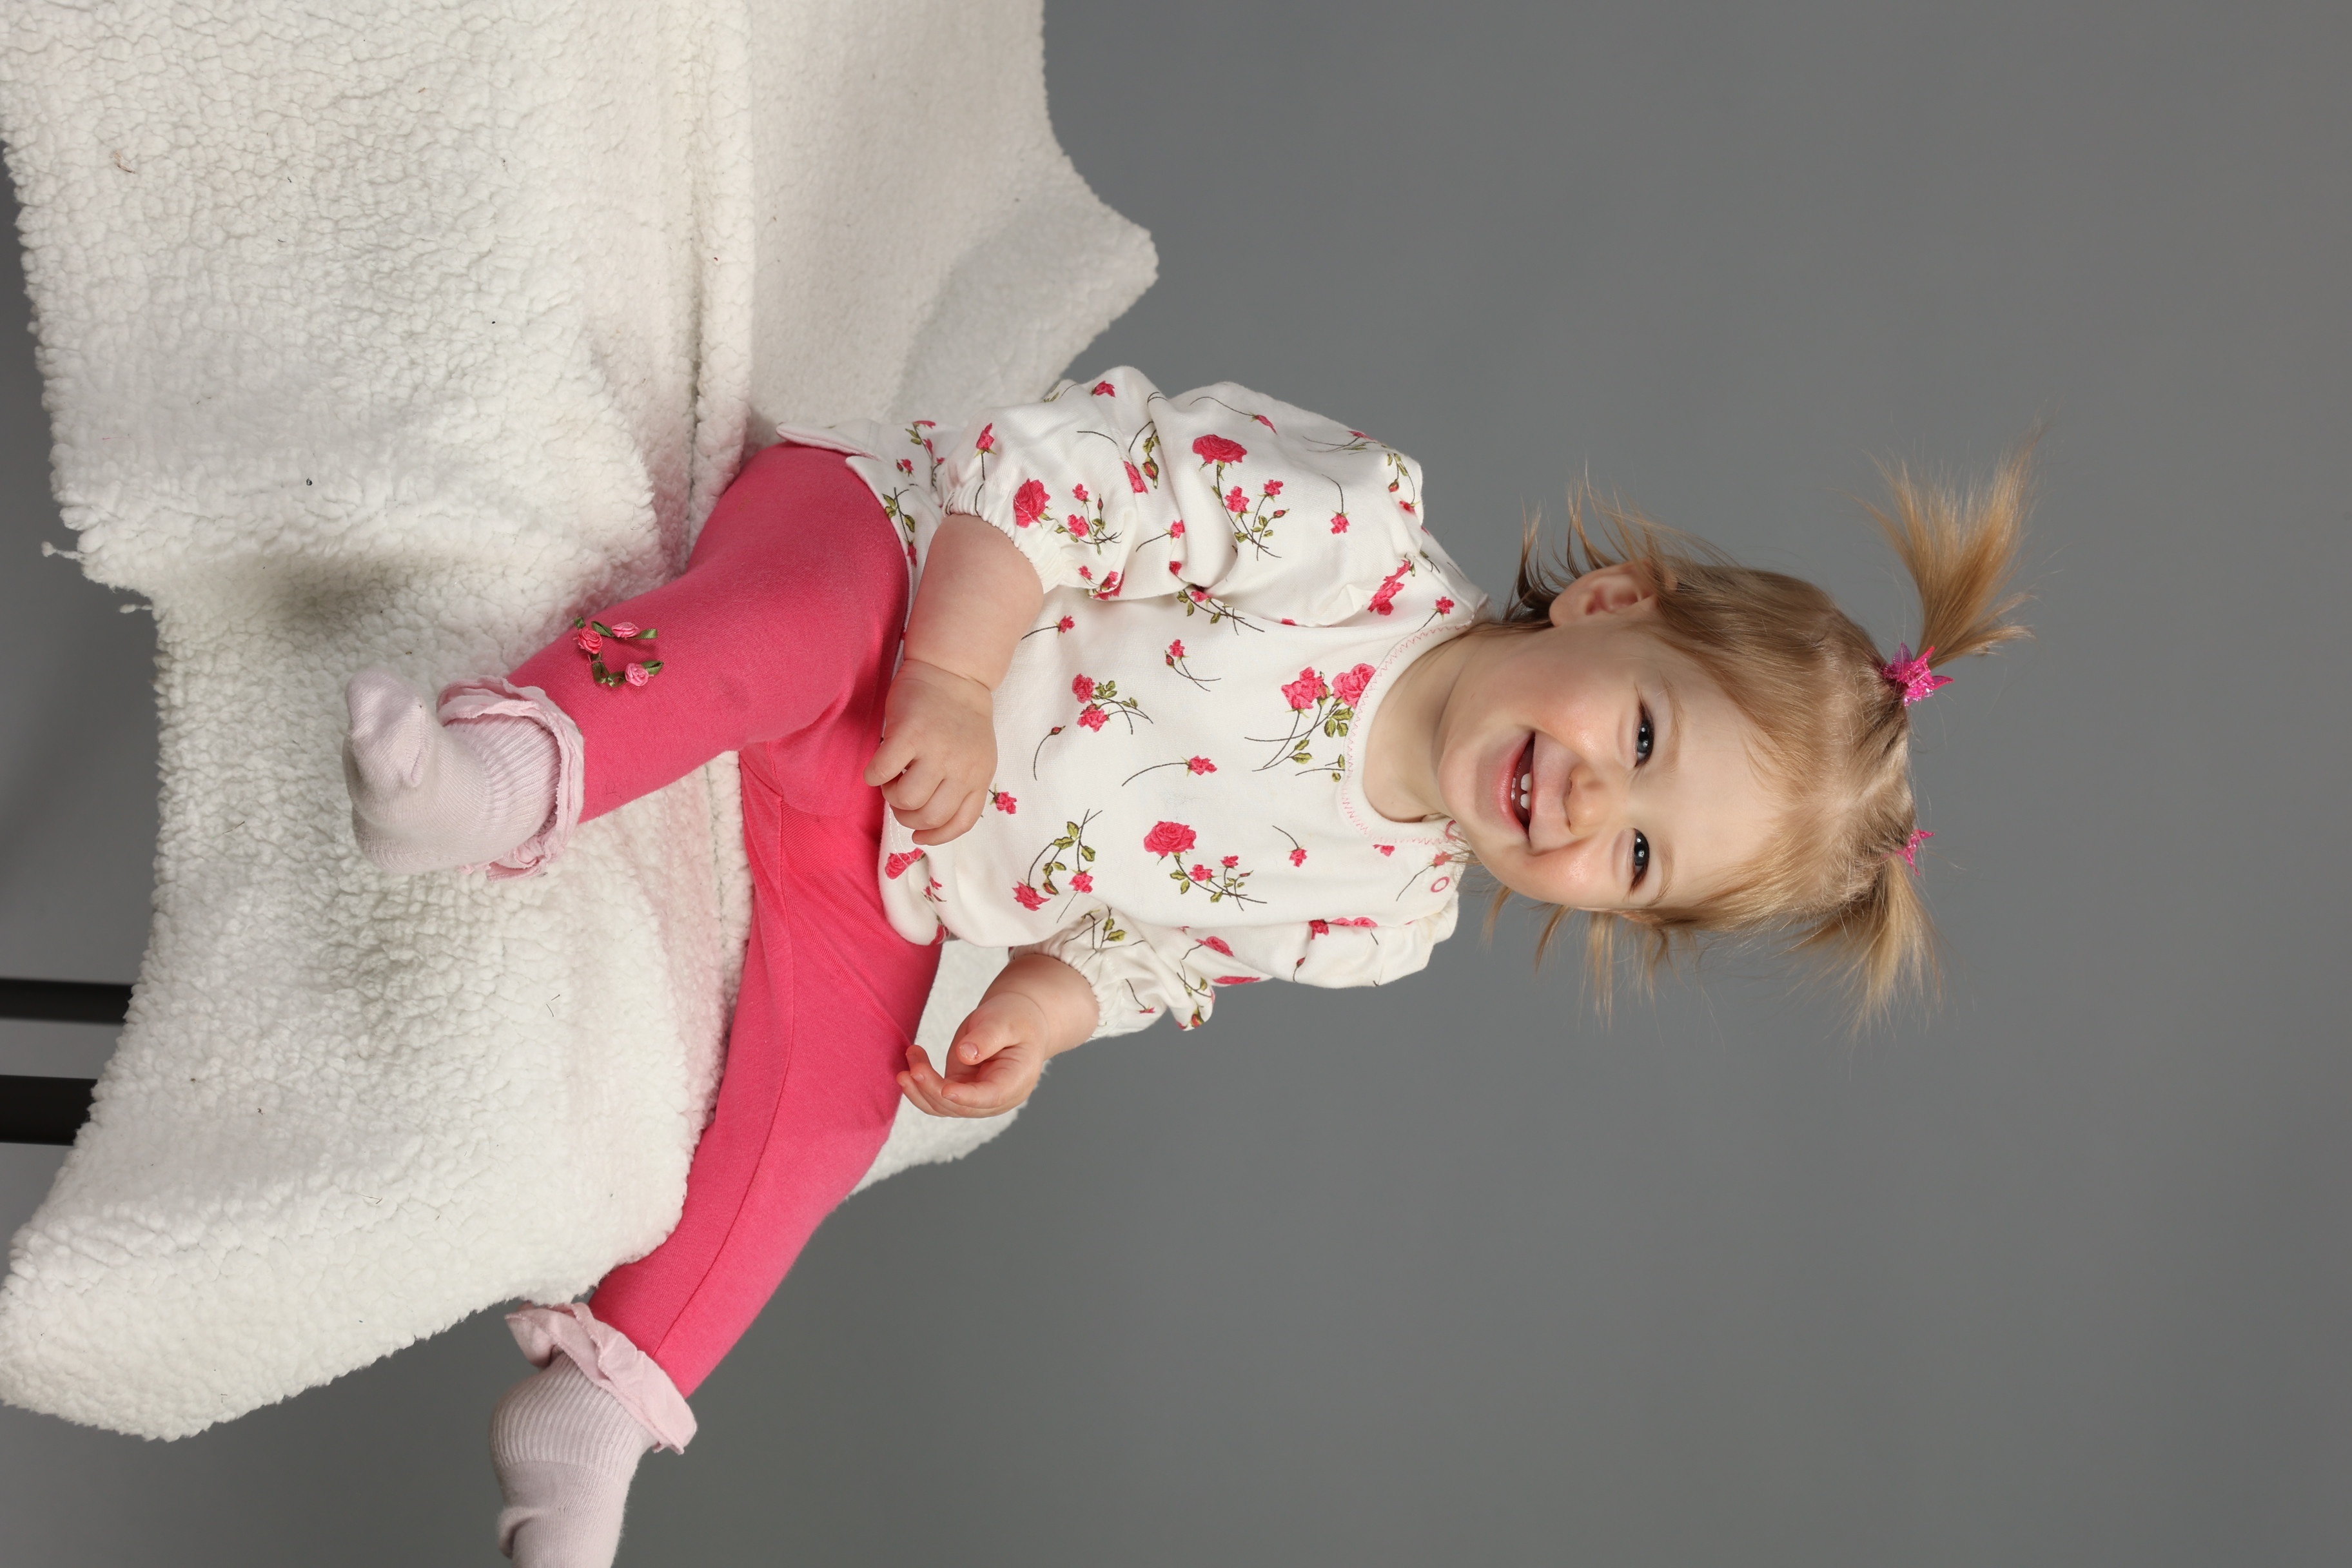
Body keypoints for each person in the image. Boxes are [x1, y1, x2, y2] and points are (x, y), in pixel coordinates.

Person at [340, 368, 2030, 1566]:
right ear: (1607, 603)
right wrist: (953, 673)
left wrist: (1049, 1004)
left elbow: (1174, 949)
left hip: (898, 869)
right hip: (898, 584)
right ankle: (509, 768)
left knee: (830, 1116)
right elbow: (1070, 472)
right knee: (761, 634)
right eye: (1643, 735)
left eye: (1641, 857)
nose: (1595, 802)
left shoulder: (1391, 917)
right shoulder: (1353, 535)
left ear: (1615, 918)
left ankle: (603, 1408)